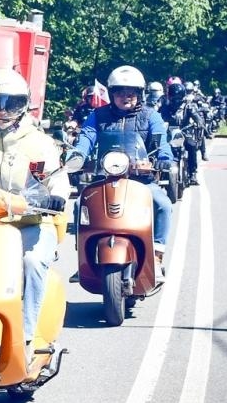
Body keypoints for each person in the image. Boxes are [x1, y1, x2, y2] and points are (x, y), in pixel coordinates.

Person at [0, 68, 71, 364]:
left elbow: (58, 179)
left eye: (12, 104)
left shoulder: (40, 143)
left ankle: (27, 337)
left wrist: (55, 195)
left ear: (24, 106)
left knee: (32, 262)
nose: (2, 111)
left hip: (30, 224)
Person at [73, 65, 174, 280]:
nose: (125, 97)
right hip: (104, 177)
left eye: (131, 92)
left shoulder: (151, 116)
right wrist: (77, 156)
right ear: (112, 94)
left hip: (140, 179)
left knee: (163, 205)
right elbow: (86, 138)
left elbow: (161, 143)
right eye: (120, 92)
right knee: (78, 204)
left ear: (140, 94)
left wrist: (164, 159)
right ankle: (83, 256)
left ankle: (156, 254)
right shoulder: (98, 116)